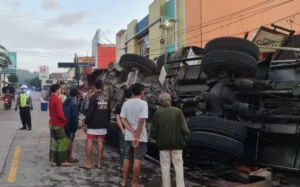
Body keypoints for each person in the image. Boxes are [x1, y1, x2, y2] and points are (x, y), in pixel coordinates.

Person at [151, 93, 190, 187]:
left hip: (163, 145)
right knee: (178, 166)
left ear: (160, 102)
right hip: (177, 144)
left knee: (165, 167)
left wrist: (158, 139)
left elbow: (153, 133)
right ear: (170, 100)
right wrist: (183, 139)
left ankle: (166, 185)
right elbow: (185, 130)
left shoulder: (157, 113)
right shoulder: (178, 111)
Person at [120, 83, 148, 187]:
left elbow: (122, 119)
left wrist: (131, 130)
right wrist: (137, 135)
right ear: (142, 92)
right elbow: (141, 121)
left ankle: (124, 182)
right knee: (137, 159)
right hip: (139, 137)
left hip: (128, 135)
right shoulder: (143, 104)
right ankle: (134, 183)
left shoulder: (126, 103)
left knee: (127, 157)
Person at [81, 79, 111, 169]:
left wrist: (86, 123)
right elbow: (109, 111)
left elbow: (89, 112)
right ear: (102, 87)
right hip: (103, 124)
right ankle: (99, 164)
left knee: (89, 142)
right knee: (100, 142)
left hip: (93, 124)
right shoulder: (107, 97)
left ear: (94, 87)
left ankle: (88, 163)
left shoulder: (93, 97)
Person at [48, 84, 73, 167]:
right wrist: (65, 120)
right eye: (60, 89)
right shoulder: (57, 99)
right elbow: (60, 114)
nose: (61, 90)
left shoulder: (51, 98)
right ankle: (63, 161)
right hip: (58, 123)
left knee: (55, 142)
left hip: (52, 123)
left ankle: (55, 161)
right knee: (63, 142)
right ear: (57, 90)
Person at [114, 88, 132, 171]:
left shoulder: (120, 104)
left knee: (123, 148)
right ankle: (131, 167)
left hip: (123, 130)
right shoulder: (133, 104)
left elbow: (118, 118)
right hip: (133, 130)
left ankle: (123, 166)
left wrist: (122, 129)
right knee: (132, 149)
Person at [63, 89, 79, 163]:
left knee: (66, 139)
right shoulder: (74, 103)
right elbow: (74, 116)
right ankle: (69, 157)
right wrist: (75, 127)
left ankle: (65, 155)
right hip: (71, 125)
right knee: (71, 140)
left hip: (65, 124)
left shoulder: (65, 101)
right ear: (76, 95)